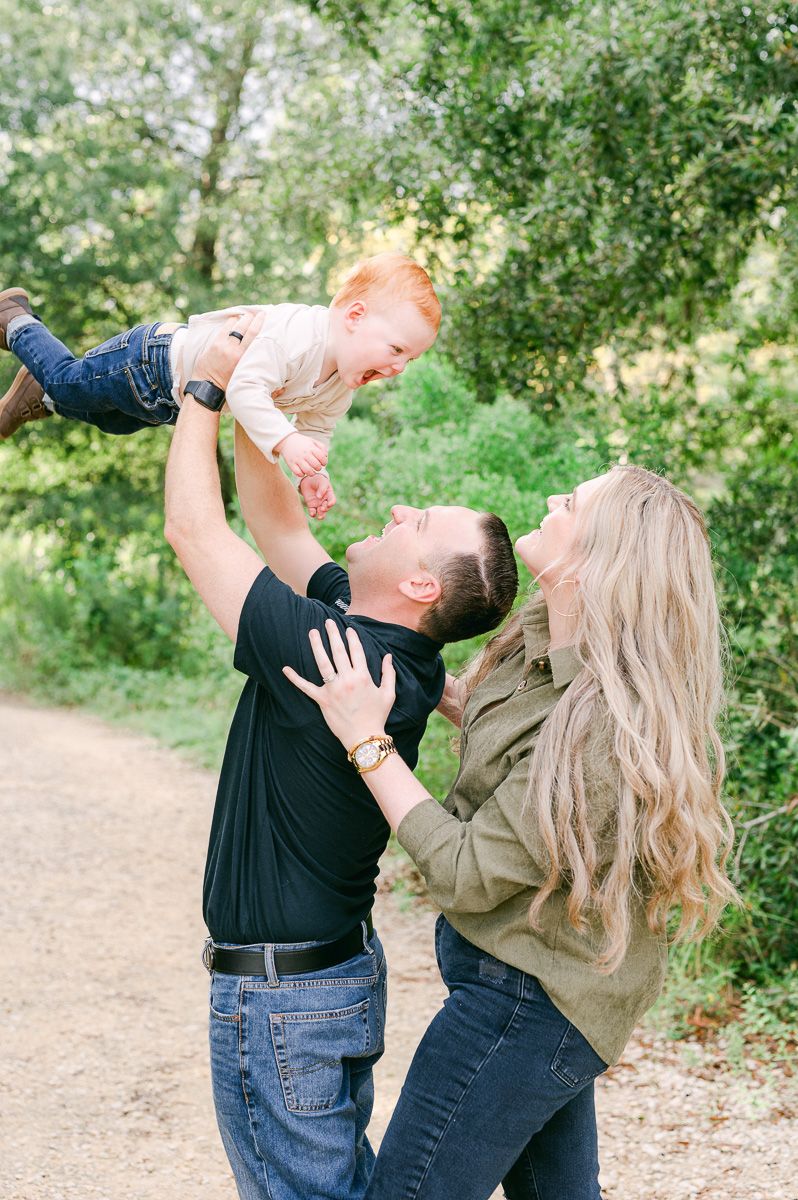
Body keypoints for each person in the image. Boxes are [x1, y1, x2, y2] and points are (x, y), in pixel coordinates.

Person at [284, 465, 738, 1200]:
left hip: (529, 1004)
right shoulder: (543, 643)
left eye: (571, 505)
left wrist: (368, 739)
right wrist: (451, 701)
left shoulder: (602, 730)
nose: (552, 500)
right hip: (541, 989)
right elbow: (527, 751)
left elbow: (465, 870)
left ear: (596, 559)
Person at [162, 312, 518, 1200]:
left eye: (419, 519)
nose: (399, 508)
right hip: (327, 981)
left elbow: (196, 534)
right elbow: (279, 535)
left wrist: (205, 390)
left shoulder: (337, 656)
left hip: (285, 1001)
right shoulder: (387, 646)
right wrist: (265, 407)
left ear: (422, 585)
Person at [0, 251, 440, 517]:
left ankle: (41, 399)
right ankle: (16, 320)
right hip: (153, 360)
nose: (400, 367)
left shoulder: (342, 382)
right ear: (356, 316)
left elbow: (316, 430)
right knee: (72, 382)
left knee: (113, 423)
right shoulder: (298, 336)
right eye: (397, 349)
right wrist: (286, 441)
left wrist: (312, 473)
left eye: (411, 359)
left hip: (174, 401)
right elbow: (247, 390)